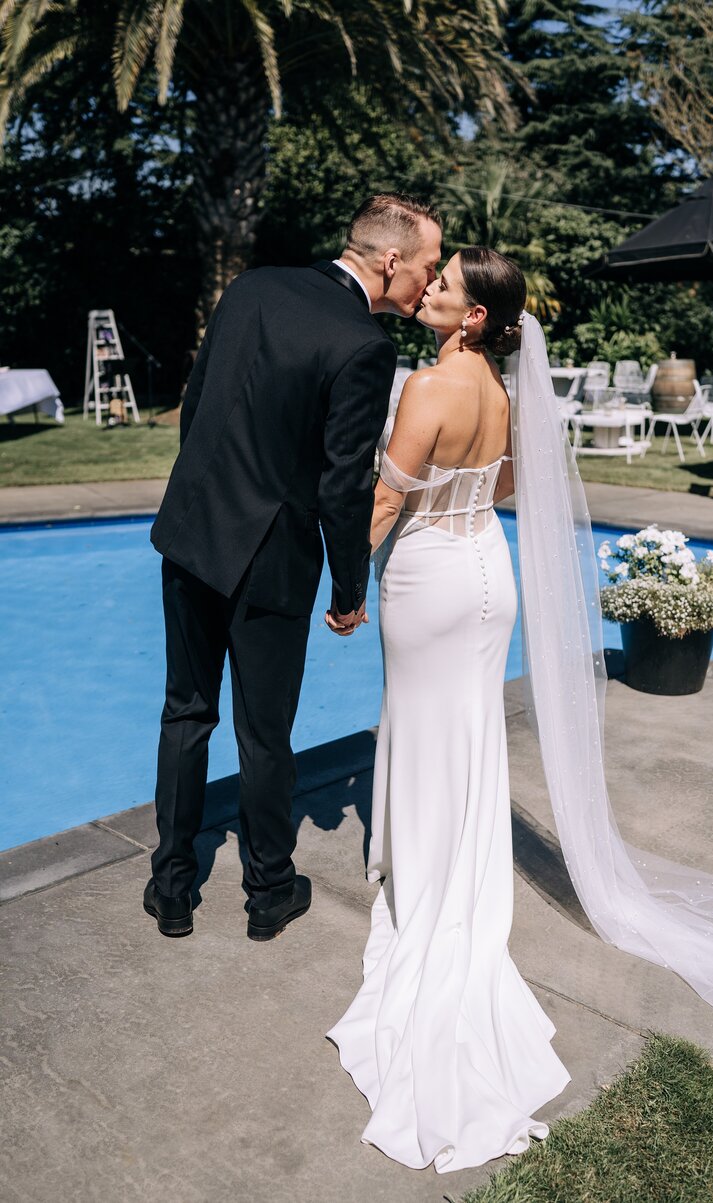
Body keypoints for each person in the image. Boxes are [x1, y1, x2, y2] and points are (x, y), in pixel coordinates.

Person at [327, 247, 571, 1172]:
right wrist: (458, 494)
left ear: (472, 317)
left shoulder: (430, 387)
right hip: (487, 573)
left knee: (424, 728)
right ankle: (456, 870)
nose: (427, 288)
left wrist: (346, 584)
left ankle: (422, 879)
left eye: (443, 285)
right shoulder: (503, 397)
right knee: (463, 736)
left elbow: (385, 500)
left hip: (428, 575)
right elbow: (505, 482)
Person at [144, 193, 442, 942]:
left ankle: (171, 884)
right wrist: (348, 588)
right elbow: (344, 485)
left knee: (186, 711)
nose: (429, 284)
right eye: (429, 267)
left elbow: (197, 406)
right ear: (390, 260)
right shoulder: (365, 344)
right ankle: (269, 889)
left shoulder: (252, 287)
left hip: (190, 529)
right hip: (270, 556)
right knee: (264, 731)